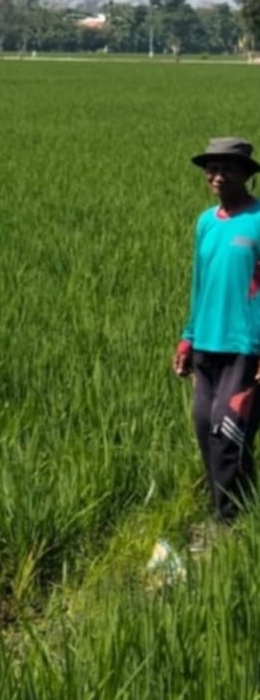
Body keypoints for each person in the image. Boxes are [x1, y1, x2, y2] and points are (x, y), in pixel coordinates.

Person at [172, 136, 260, 527]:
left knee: (228, 435)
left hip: (246, 348)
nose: (218, 176)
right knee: (206, 430)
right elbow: (200, 283)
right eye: (213, 168)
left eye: (228, 169)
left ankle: (228, 526)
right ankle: (232, 510)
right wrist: (188, 338)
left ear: (246, 175)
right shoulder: (206, 222)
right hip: (207, 344)